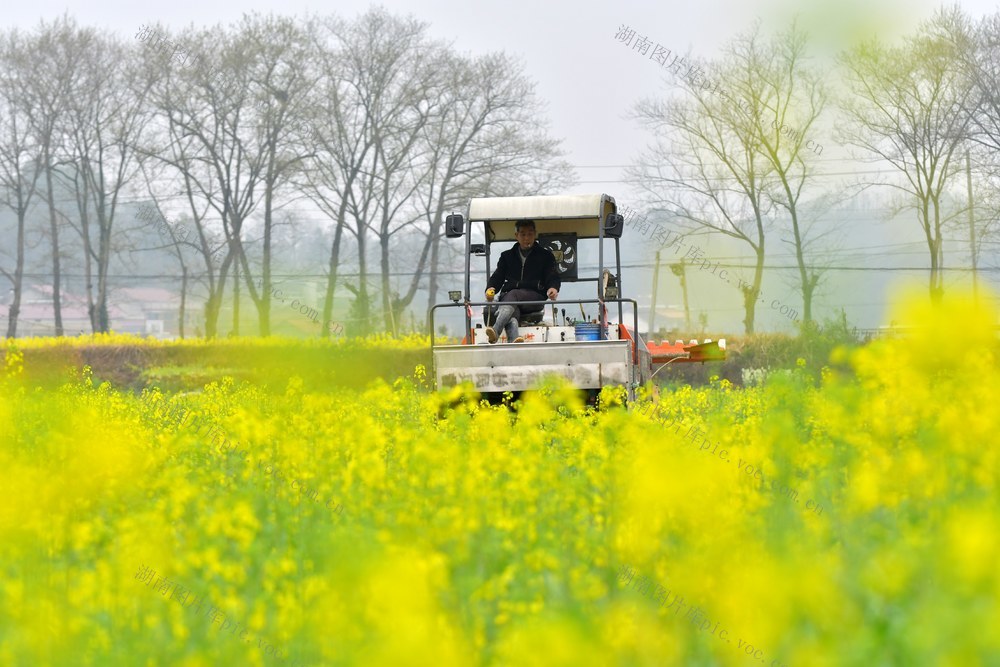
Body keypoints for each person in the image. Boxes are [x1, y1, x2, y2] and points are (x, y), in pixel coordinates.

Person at [484, 219, 560, 343]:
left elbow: (552, 275)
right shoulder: (506, 256)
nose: (526, 238)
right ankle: (514, 339)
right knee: (512, 311)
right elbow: (498, 276)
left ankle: (496, 330)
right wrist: (491, 287)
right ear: (516, 236)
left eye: (530, 234)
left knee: (513, 295)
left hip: (534, 297)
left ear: (535, 234)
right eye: (523, 234)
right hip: (510, 298)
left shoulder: (545, 256)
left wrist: (553, 287)